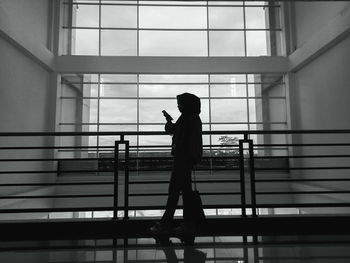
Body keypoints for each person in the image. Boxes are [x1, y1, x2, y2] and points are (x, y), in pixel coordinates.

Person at [149, 93, 203, 235]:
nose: (178, 106)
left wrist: (170, 124)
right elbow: (175, 131)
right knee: (185, 193)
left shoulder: (188, 118)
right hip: (185, 160)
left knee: (174, 191)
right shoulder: (191, 117)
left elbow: (177, 133)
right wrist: (169, 121)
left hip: (182, 159)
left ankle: (165, 224)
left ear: (186, 104)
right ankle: (188, 224)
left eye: (180, 103)